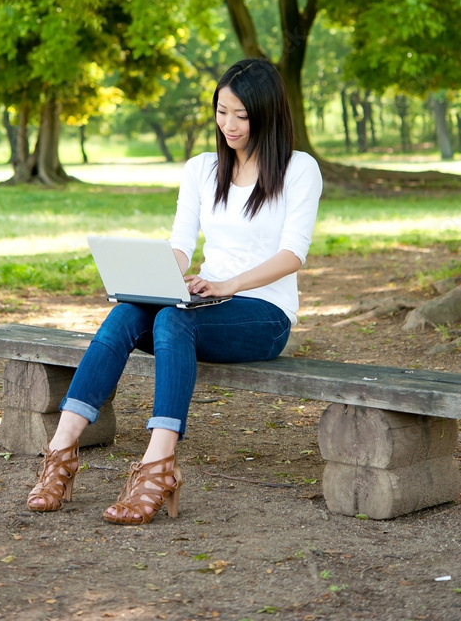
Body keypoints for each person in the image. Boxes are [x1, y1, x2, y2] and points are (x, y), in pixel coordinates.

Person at [26, 58, 323, 524]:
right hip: (203, 303)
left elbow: (293, 255)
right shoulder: (203, 168)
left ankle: (158, 465)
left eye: (241, 115)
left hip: (263, 313)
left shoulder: (298, 169)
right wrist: (158, 277)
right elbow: (182, 247)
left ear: (268, 113)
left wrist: (227, 284)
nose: (229, 124)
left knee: (173, 318)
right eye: (222, 111)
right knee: (128, 312)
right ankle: (60, 451)